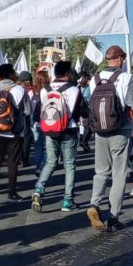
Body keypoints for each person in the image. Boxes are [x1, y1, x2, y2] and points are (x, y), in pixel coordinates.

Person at [86, 45, 133, 232]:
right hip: (121, 130)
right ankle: (113, 217)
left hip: (100, 131)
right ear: (119, 59)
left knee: (101, 171)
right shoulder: (127, 78)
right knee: (119, 175)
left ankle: (94, 204)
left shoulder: (95, 79)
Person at [33, 60, 84, 212]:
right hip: (69, 130)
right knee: (69, 165)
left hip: (49, 130)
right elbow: (82, 111)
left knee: (50, 161)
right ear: (67, 73)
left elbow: (38, 113)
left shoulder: (45, 90)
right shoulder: (74, 90)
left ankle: (39, 189)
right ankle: (68, 201)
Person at [0, 64, 29, 204]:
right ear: (10, 74)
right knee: (12, 163)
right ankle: (11, 193)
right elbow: (27, 111)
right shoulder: (20, 89)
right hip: (15, 133)